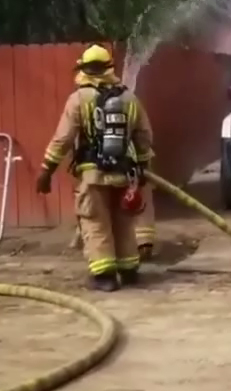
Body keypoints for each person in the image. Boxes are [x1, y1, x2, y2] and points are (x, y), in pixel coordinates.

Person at [37, 44, 155, 291]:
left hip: (93, 176)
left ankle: (104, 277)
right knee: (123, 223)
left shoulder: (78, 99)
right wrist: (143, 168)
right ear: (109, 68)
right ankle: (129, 270)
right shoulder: (129, 98)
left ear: (84, 69)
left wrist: (46, 171)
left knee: (95, 223)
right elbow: (144, 136)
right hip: (124, 174)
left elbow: (63, 138)